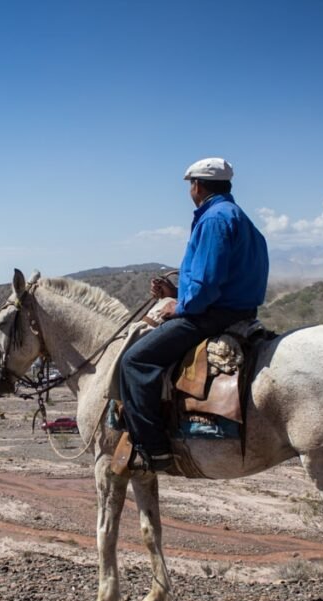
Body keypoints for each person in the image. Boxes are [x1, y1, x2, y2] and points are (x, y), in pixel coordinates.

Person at [117, 157, 269, 472]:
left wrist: (180, 305)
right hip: (237, 310)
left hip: (210, 315)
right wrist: (176, 293)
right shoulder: (242, 220)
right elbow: (223, 279)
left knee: (135, 362)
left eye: (190, 186)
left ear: (197, 186)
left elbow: (207, 284)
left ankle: (153, 450)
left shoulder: (213, 220)